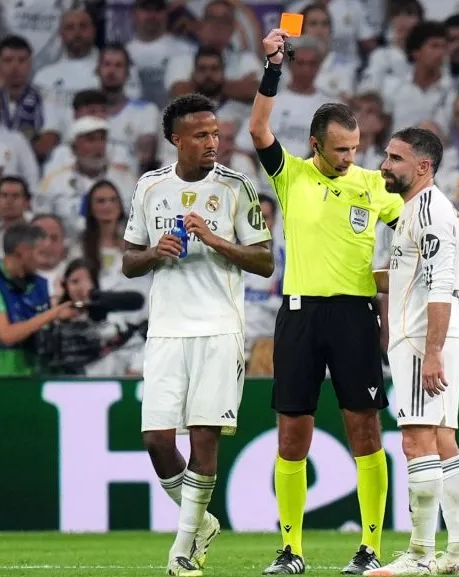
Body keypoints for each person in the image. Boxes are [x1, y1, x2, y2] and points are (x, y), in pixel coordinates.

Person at [249, 27, 401, 576]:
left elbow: (414, 219)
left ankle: (370, 548)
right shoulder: (290, 177)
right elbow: (258, 128)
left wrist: (442, 218)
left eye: (355, 148)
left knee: (366, 431)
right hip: (299, 314)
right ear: (315, 144)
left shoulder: (373, 184)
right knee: (293, 433)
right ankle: (291, 549)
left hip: (356, 315)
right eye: (341, 149)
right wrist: (274, 68)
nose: (350, 157)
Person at [123, 93, 274, 577]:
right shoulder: (149, 187)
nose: (213, 142)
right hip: (166, 331)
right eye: (201, 135)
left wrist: (214, 239)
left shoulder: (236, 186)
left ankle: (182, 552)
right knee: (156, 440)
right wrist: (154, 252)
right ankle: (202, 523)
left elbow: (265, 261)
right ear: (176, 139)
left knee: (204, 440)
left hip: (218, 329)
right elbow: (128, 260)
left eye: (216, 134)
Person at [365, 127, 459, 576]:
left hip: (422, 339)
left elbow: (441, 288)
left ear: (423, 166)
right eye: (387, 156)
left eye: (395, 158)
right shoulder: (417, 211)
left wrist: (431, 353)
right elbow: (408, 277)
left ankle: (420, 554)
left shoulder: (430, 212)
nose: (385, 165)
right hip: (429, 337)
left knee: (416, 440)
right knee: (443, 440)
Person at [0, 222, 78, 376]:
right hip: (0, 379)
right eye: (39, 253)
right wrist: (53, 314)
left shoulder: (40, 284)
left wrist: (60, 319)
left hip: (39, 376)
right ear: (23, 252)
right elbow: (6, 336)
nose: (41, 261)